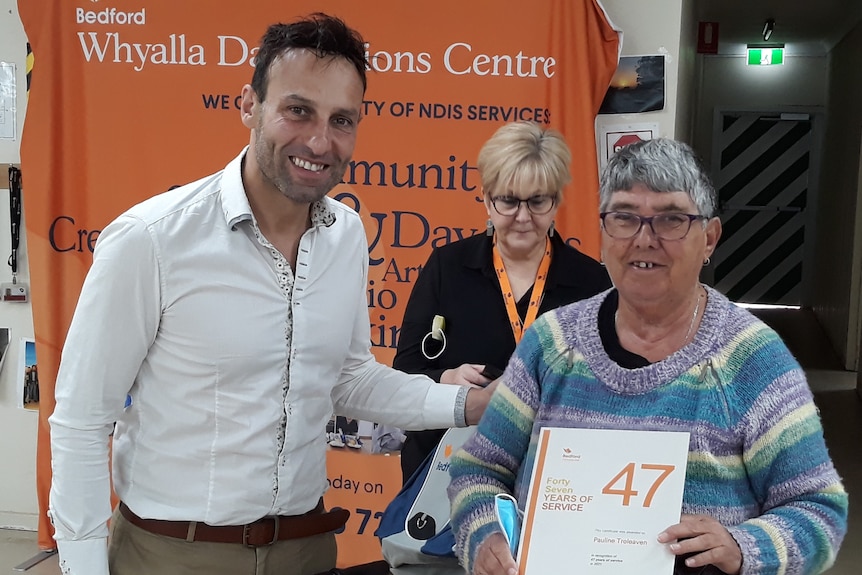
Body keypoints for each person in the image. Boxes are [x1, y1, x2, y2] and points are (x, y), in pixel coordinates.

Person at [47, 14, 493, 575]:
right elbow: (83, 421)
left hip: (305, 551)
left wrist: (466, 404)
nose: (318, 140)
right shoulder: (152, 240)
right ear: (248, 105)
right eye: (298, 110)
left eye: (342, 120)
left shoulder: (345, 235)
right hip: (174, 555)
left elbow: (349, 377)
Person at [447, 138, 848, 575]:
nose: (644, 239)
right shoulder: (552, 343)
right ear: (604, 230)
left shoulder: (753, 362)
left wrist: (742, 546)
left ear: (709, 238)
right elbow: (478, 471)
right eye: (624, 217)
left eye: (671, 219)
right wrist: (486, 537)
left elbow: (819, 511)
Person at [393, 121, 610, 481]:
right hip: (446, 471)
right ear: (486, 198)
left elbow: (606, 389)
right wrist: (446, 378)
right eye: (508, 200)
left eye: (538, 200)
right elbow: (406, 372)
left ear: (556, 200)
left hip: (551, 476)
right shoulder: (448, 267)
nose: (523, 217)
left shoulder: (591, 282)